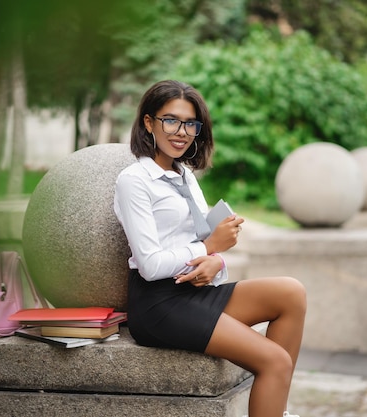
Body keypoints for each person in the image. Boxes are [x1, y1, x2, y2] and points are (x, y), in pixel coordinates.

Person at [114, 80, 306, 417]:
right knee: (274, 360)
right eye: (170, 120)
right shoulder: (134, 181)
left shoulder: (185, 175)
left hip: (197, 290)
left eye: (191, 124)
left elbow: (201, 241)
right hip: (160, 303)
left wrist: (215, 259)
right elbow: (150, 264)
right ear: (149, 123)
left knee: (291, 293)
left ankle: (275, 407)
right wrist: (208, 245)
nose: (182, 132)